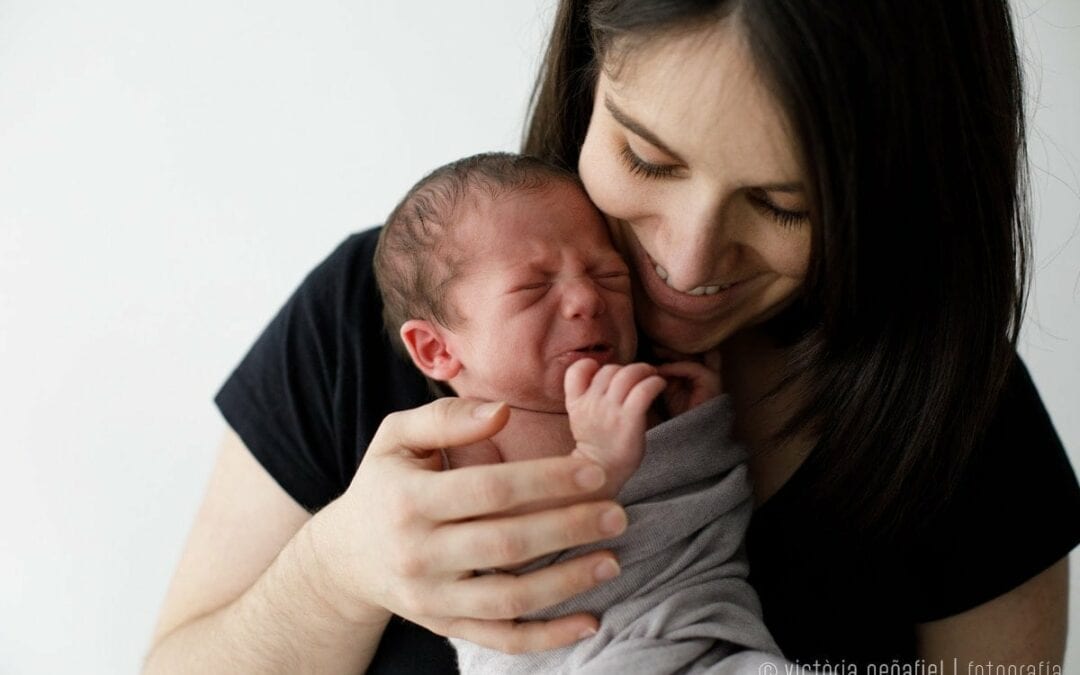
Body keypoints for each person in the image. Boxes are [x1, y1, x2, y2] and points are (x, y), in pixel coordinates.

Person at [144, 1, 1080, 674]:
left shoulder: (965, 430)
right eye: (646, 157)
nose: (685, 255)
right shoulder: (373, 309)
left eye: (781, 205)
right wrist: (333, 573)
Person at [373, 150, 783, 673]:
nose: (586, 300)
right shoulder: (471, 438)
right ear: (437, 350)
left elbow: (697, 507)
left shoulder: (631, 393)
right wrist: (594, 464)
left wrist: (693, 428)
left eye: (609, 276)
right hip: (587, 654)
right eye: (534, 287)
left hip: (706, 626)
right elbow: (496, 569)